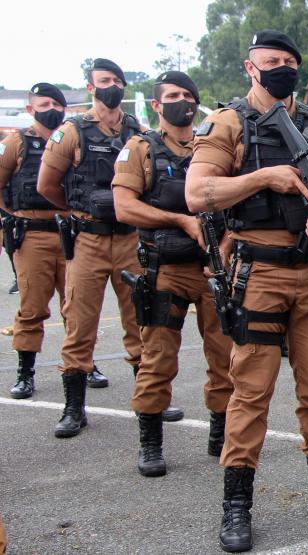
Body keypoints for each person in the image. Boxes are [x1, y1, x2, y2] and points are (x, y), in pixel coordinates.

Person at [185, 30, 308, 552]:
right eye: (273, 61)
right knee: (251, 391)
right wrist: (264, 177)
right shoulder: (228, 122)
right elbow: (197, 192)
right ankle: (237, 506)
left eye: (290, 61)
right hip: (258, 272)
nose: (283, 68)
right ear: (251, 67)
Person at [112, 71, 234, 477]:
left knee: (225, 357)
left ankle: (220, 436)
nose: (183, 100)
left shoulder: (214, 146)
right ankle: (150, 444)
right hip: (165, 270)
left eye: (188, 94)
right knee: (158, 359)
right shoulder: (141, 148)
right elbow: (124, 207)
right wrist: (180, 221)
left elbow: (237, 204)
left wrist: (225, 247)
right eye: (173, 95)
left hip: (215, 268)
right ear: (156, 105)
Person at [36, 58, 155, 438]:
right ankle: (74, 409)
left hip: (130, 238)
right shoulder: (71, 131)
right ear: (91, 87)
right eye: (104, 81)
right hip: (87, 239)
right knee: (80, 323)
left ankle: (150, 401)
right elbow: (46, 185)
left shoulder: (137, 131)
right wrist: (78, 211)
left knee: (142, 319)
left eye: (117, 80)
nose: (112, 86)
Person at [0, 83, 68, 400]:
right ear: (31, 109)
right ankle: (25, 373)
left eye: (56, 103)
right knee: (32, 308)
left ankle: (83, 365)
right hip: (33, 234)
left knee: (79, 309)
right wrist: (15, 215)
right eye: (44, 103)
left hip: (70, 234)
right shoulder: (17, 142)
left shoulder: (71, 138)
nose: (51, 108)